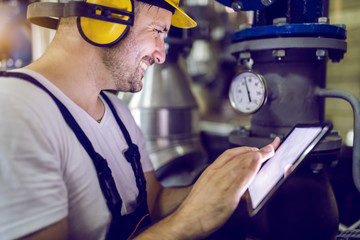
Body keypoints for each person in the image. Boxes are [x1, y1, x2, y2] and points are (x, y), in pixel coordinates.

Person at [0, 0, 280, 239]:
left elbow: (152, 202)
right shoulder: (15, 110)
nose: (161, 55)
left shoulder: (118, 112)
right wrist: (191, 222)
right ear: (106, 16)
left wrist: (216, 187)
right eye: (158, 31)